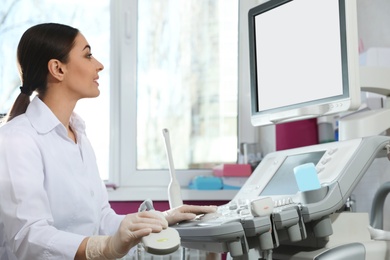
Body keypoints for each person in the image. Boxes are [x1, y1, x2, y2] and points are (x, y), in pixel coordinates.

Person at [0, 23, 216, 260]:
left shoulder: (78, 135)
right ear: (57, 69)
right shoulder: (17, 139)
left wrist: (160, 218)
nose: (99, 65)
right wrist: (103, 248)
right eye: (88, 55)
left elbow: (103, 219)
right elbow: (29, 237)